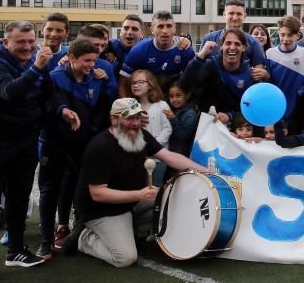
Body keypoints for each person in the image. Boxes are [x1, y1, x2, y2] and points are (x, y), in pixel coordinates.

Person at [65, 98, 209, 267]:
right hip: (101, 211)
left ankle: (131, 231)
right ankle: (83, 238)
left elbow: (169, 157)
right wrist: (140, 194)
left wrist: (206, 172)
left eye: (137, 117)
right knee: (125, 258)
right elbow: (98, 194)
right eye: (129, 118)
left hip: (131, 202)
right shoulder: (99, 147)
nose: (135, 123)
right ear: (114, 119)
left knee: (173, 200)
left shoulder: (142, 135)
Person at [0, 20, 56, 271]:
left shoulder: (33, 62)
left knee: (19, 198)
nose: (27, 47)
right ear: (5, 42)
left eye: (31, 42)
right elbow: (9, 92)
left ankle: (16, 250)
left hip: (25, 140)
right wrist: (38, 66)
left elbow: (49, 93)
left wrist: (61, 110)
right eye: (21, 42)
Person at [37, 39, 118, 260]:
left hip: (83, 144)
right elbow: (50, 103)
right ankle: (45, 240)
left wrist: (107, 82)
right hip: (54, 142)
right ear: (71, 58)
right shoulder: (55, 76)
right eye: (87, 60)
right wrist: (64, 111)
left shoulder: (97, 77)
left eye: (94, 60)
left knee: (79, 187)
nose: (92, 64)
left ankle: (77, 230)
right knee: (49, 189)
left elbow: (105, 107)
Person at [179, 30, 261, 125]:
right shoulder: (211, 65)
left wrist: (230, 116)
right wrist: (201, 55)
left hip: (239, 129)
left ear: (244, 48)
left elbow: (252, 108)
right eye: (228, 43)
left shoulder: (250, 74)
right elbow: (184, 85)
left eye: (237, 44)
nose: (232, 47)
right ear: (221, 46)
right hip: (210, 125)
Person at [119, 11, 196, 95]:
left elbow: (192, 82)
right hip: (148, 99)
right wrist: (128, 106)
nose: (165, 31)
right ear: (152, 30)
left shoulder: (186, 50)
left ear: (175, 29)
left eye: (169, 26)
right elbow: (122, 84)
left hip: (174, 99)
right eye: (160, 26)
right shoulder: (138, 50)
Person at [198, 0, 268, 66]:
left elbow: (259, 70)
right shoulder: (209, 38)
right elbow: (199, 64)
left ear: (245, 16)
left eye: (239, 14)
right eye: (231, 13)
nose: (235, 18)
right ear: (224, 15)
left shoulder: (253, 43)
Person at [166, 82, 198, 157]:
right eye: (171, 96)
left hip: (182, 154)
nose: (174, 99)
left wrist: (173, 120)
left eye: (178, 95)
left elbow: (184, 137)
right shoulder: (174, 110)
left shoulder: (190, 113)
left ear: (187, 95)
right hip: (173, 151)